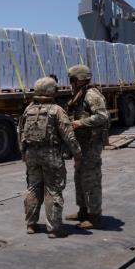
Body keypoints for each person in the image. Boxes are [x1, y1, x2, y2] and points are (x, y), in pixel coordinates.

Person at [19, 77, 82, 238]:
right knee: (53, 189)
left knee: (33, 188)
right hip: (51, 155)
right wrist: (77, 154)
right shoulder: (56, 110)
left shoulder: (28, 109)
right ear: (50, 91)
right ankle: (54, 228)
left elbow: (21, 133)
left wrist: (23, 153)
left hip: (31, 155)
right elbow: (68, 135)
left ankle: (31, 224)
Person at [64, 65, 110, 229]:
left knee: (91, 179)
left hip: (91, 144)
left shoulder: (91, 95)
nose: (71, 83)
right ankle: (83, 211)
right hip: (82, 144)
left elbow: (103, 116)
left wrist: (80, 122)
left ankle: (95, 216)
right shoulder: (79, 94)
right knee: (80, 178)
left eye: (72, 79)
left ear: (80, 79)